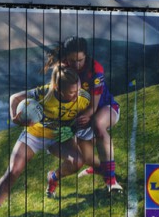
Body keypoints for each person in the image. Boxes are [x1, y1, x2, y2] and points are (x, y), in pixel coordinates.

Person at [0, 64, 91, 217]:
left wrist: (75, 127)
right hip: (34, 135)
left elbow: (90, 112)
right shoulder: (44, 93)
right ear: (58, 88)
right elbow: (14, 98)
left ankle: (53, 177)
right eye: (72, 92)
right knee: (13, 171)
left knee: (78, 162)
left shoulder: (83, 97)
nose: (76, 94)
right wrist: (15, 118)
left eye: (78, 89)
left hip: (57, 138)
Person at [46, 36, 121, 193]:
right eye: (73, 61)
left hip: (104, 108)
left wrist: (83, 117)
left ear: (86, 56)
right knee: (86, 158)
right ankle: (56, 176)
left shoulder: (96, 70)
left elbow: (93, 106)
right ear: (66, 57)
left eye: (80, 60)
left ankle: (111, 181)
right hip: (80, 116)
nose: (77, 64)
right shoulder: (61, 70)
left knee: (98, 124)